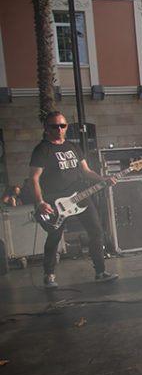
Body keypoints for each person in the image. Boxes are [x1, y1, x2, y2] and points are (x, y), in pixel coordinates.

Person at [28, 111, 118, 288]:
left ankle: (100, 271)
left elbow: (86, 171)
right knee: (54, 236)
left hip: (78, 197)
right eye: (55, 126)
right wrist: (40, 202)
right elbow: (33, 178)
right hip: (54, 202)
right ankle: (49, 274)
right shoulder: (42, 149)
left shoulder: (73, 147)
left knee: (96, 231)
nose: (59, 129)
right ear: (47, 128)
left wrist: (103, 180)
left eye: (63, 126)